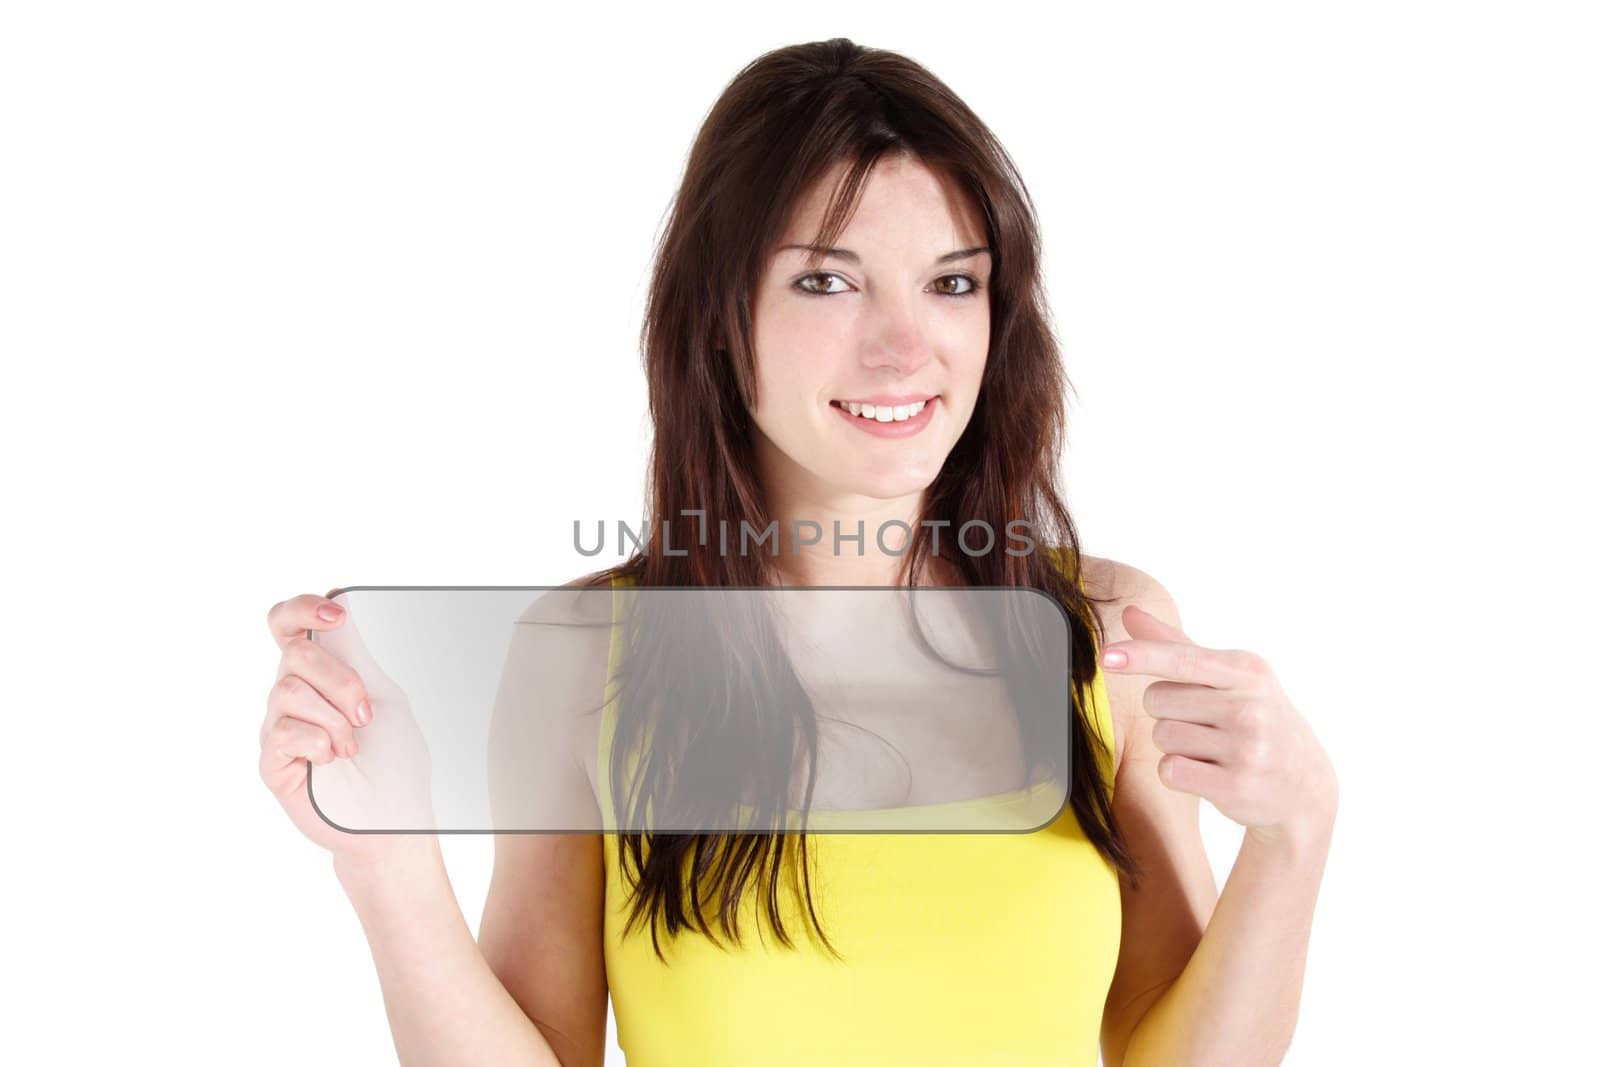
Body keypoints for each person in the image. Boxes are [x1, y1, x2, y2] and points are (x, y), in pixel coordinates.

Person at [259, 37, 1338, 1067]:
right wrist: (385, 863)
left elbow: (1170, 1043)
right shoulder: (590, 654)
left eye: (952, 282)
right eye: (827, 281)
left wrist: (1295, 831)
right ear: (722, 318)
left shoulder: (1102, 633)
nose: (905, 348)